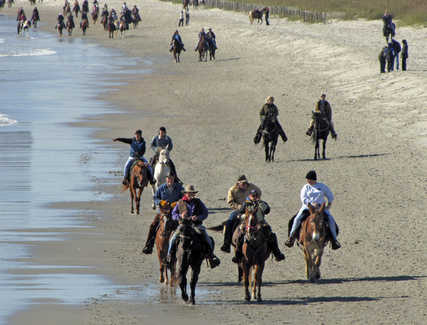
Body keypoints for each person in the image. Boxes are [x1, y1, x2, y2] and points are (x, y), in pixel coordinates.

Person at [167, 185, 221, 269]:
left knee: (207, 238)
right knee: (173, 238)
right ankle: (169, 256)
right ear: (185, 194)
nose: (190, 195)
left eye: (192, 193)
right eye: (189, 193)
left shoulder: (198, 202)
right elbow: (173, 214)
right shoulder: (180, 202)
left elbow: (205, 213)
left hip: (196, 225)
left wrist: (198, 217)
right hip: (183, 225)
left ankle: (211, 256)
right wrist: (180, 216)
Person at [285, 170, 341, 250]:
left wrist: (329, 204)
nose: (307, 181)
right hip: (307, 208)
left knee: (331, 220)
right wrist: (310, 204)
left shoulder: (322, 186)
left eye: (308, 179)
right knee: (296, 219)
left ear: (313, 179)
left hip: (320, 208)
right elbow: (303, 198)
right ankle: (291, 237)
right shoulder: (306, 187)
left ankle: (334, 240)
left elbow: (330, 195)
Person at [232, 189, 285, 263]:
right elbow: (239, 213)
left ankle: (277, 253)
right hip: (247, 223)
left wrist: (262, 205)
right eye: (253, 196)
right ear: (249, 196)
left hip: (261, 222)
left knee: (271, 235)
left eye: (256, 196)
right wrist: (243, 216)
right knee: (240, 235)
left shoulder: (261, 203)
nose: (254, 197)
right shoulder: (246, 204)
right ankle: (238, 255)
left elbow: (267, 210)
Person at [142, 173, 184, 254]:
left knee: (183, 226)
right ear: (166, 179)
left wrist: (177, 202)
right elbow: (155, 198)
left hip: (175, 212)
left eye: (171, 178)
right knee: (153, 225)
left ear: (174, 179)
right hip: (162, 212)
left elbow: (184, 197)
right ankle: (149, 245)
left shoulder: (179, 188)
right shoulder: (161, 187)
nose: (169, 180)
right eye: (168, 178)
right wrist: (161, 201)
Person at [220, 175, 261, 253]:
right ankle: (226, 244)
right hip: (239, 210)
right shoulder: (232, 190)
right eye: (243, 183)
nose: (245, 184)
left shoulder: (252, 187)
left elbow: (259, 192)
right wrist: (239, 207)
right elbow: (230, 202)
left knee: (264, 224)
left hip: (252, 209)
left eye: (246, 182)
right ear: (238, 183)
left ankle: (273, 248)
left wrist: (256, 201)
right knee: (229, 222)